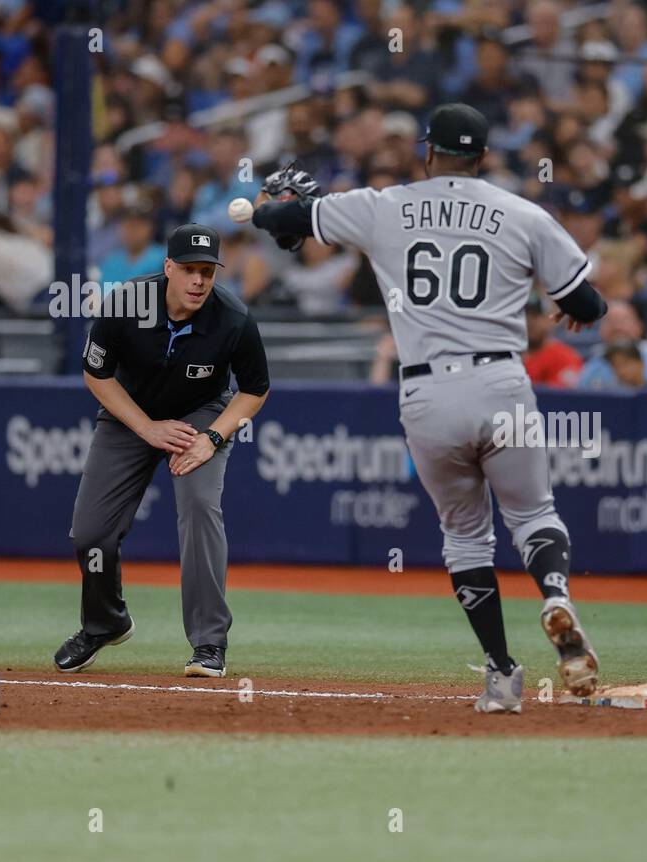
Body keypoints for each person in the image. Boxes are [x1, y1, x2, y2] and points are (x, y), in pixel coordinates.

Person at [249, 104, 605, 712]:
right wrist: (576, 306)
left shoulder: (383, 204)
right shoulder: (521, 212)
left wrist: (275, 207)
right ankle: (554, 592)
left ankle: (501, 675)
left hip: (426, 392)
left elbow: (281, 220)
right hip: (502, 382)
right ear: (484, 156)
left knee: (466, 538)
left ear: (427, 151)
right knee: (532, 513)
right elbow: (587, 302)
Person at [53, 224, 271, 679]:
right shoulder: (126, 303)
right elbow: (97, 374)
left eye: (207, 272)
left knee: (199, 507)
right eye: (189, 270)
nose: (198, 281)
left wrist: (212, 437)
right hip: (131, 414)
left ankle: (209, 642)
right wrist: (146, 427)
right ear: (167, 268)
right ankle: (105, 623)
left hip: (200, 415)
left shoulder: (232, 317)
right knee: (90, 532)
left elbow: (254, 391)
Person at [522, 296, 583, 387]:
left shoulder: (564, 357)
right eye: (525, 316)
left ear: (548, 320)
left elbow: (561, 397)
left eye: (536, 316)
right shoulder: (507, 354)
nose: (530, 322)